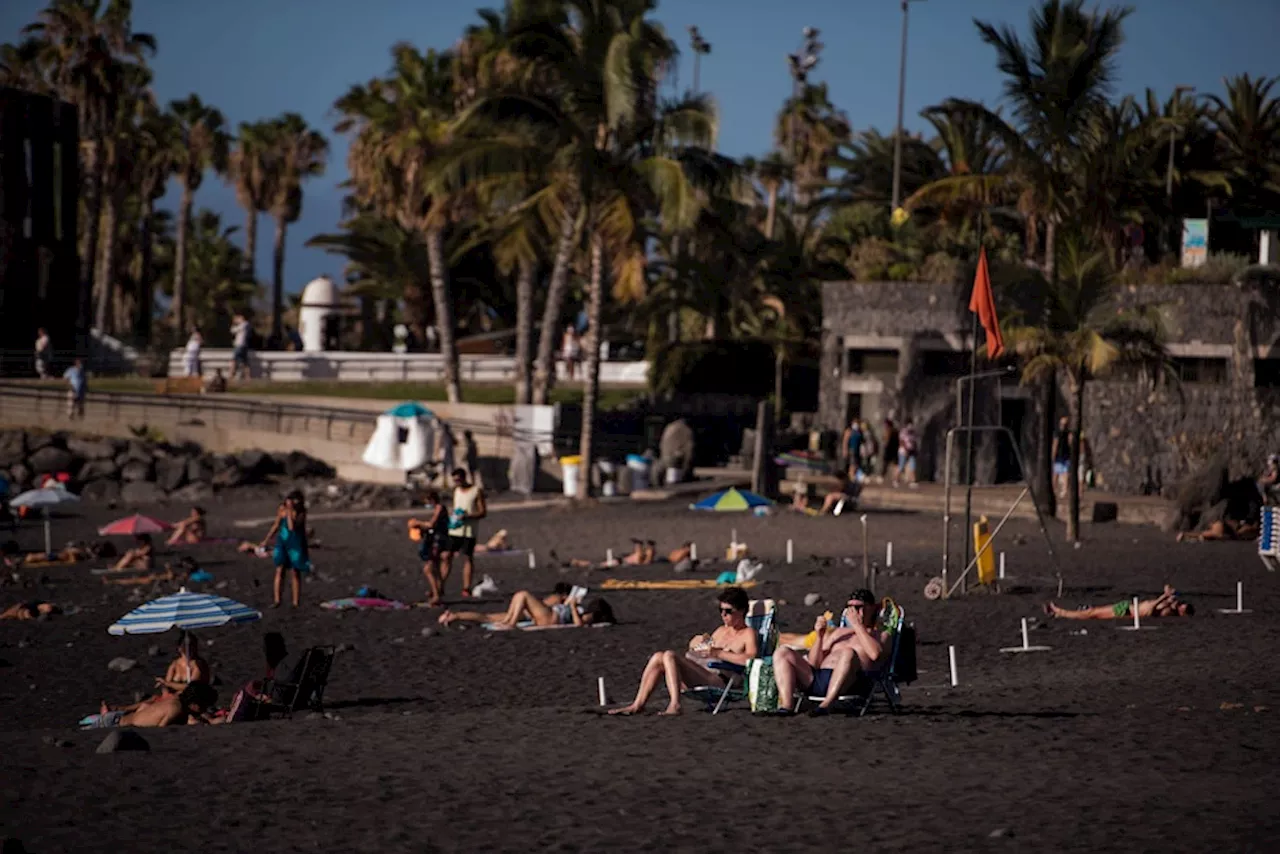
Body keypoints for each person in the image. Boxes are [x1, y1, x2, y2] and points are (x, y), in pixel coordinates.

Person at [608, 587, 759, 716]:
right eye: (721, 610)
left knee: (670, 655)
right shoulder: (721, 631)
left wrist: (720, 653)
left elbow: (751, 659)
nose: (723, 615)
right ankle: (638, 704)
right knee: (658, 657)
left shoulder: (748, 633)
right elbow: (700, 645)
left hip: (720, 680)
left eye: (728, 611)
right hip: (702, 672)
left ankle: (675, 704)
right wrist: (698, 642)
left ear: (742, 611)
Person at [771, 588, 891, 716]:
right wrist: (820, 636)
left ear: (872, 609)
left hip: (850, 682)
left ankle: (827, 704)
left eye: (860, 607)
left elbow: (875, 654)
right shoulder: (838, 633)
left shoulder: (881, 636)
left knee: (848, 652)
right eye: (851, 607)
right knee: (782, 652)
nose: (856, 612)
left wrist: (858, 626)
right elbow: (814, 663)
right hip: (819, 678)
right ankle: (787, 706)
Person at [438, 584, 615, 629]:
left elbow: (579, 624)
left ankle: (511, 622)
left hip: (549, 617)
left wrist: (574, 606)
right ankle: (456, 616)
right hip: (544, 614)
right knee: (490, 617)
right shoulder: (559, 601)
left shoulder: (587, 613)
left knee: (522, 594)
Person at [259, 491, 311, 608]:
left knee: (295, 571)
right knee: (279, 569)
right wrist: (266, 539)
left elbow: (292, 527)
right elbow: (276, 524)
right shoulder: (281, 509)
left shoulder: (301, 512)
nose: (292, 502)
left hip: (296, 543)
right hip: (282, 541)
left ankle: (295, 602)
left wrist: (289, 513)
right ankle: (277, 600)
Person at [439, 468, 485, 599]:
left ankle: (466, 588)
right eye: (455, 481)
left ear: (464, 478)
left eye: (458, 480)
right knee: (447, 556)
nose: (457, 483)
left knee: (467, 558)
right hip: (455, 530)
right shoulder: (456, 491)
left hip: (469, 531)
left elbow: (483, 512)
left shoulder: (476, 491)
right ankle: (440, 586)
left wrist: (468, 516)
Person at [92, 682, 217, 729]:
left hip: (118, 718)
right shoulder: (176, 709)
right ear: (194, 704)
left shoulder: (176, 700)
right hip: (114, 724)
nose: (204, 710)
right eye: (204, 706)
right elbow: (161, 729)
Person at [1045, 586, 1193, 620]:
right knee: (1093, 611)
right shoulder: (1169, 606)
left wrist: (1163, 597)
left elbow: (1148, 611)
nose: (1178, 605)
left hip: (1127, 612)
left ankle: (1058, 612)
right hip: (1127, 607)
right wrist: (1168, 596)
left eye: (1181, 607)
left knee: (1091, 614)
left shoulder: (1167, 612)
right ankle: (1058, 612)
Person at [408, 489, 449, 606]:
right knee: (434, 568)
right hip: (435, 541)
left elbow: (432, 524)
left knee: (429, 569)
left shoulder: (439, 508)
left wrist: (418, 523)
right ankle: (437, 592)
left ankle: (436, 595)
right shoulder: (437, 509)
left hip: (438, 542)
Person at [1051, 416, 1072, 499]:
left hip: (1065, 455)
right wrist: (1053, 455)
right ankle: (1055, 489)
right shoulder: (1058, 433)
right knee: (1057, 473)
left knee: (1065, 473)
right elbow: (1055, 445)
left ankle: (1064, 490)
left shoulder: (1065, 433)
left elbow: (1055, 445)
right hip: (1060, 456)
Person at [895, 420, 919, 488]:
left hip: (911, 452)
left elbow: (914, 442)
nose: (910, 426)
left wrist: (915, 450)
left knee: (913, 465)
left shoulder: (913, 433)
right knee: (901, 466)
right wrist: (906, 450)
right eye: (909, 424)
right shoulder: (903, 432)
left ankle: (913, 481)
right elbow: (901, 442)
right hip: (903, 452)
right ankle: (896, 480)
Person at [230, 313, 251, 381]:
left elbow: (233, 330)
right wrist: (235, 323)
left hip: (240, 345)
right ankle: (247, 377)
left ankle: (231, 375)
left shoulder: (244, 324)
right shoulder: (243, 325)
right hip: (242, 345)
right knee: (245, 362)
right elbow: (232, 331)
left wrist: (235, 323)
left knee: (234, 360)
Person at [880, 418, 899, 483]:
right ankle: (894, 479)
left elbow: (886, 441)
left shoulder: (890, 431)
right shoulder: (894, 431)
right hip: (893, 450)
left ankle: (884, 477)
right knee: (894, 465)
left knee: (887, 464)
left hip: (889, 450)